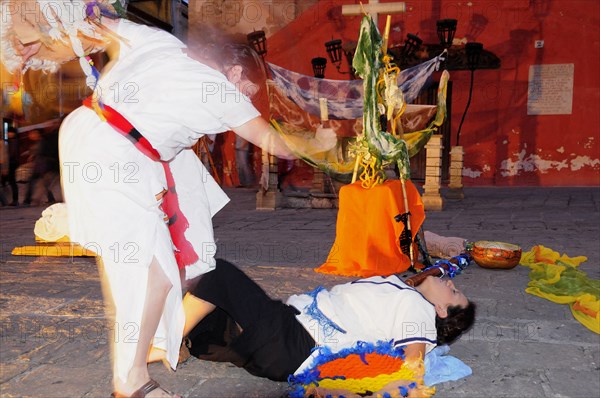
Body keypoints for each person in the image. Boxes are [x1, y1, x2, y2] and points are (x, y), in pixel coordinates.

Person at [1, 2, 296, 397]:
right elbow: (274, 141)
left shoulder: (160, 42)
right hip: (111, 150)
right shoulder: (220, 91)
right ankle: (130, 381)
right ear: (234, 71)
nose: (248, 93)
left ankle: (152, 346)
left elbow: (100, 25)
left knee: (160, 271)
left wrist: (43, 39)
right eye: (249, 86)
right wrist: (319, 144)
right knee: (146, 272)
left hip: (108, 143)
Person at [149, 259, 475, 393]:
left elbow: (413, 360)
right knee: (205, 315)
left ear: (442, 310)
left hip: (296, 341)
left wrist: (405, 386)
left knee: (216, 272)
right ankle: (185, 344)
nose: (450, 283)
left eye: (454, 291)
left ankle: (167, 340)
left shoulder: (419, 309)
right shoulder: (407, 291)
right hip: (287, 329)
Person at [22, 128, 59, 205]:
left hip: (41, 164)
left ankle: (27, 200)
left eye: (33, 133)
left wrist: (32, 155)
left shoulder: (42, 141)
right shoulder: (39, 142)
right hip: (40, 164)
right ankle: (50, 198)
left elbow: (40, 151)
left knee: (33, 181)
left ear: (37, 134)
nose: (31, 135)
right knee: (44, 182)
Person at [0, 127, 20, 206]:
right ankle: (6, 199)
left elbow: (9, 155)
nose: (8, 134)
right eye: (8, 132)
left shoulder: (13, 142)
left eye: (10, 132)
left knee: (12, 182)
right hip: (9, 164)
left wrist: (5, 167)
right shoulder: (8, 142)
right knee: (6, 182)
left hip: (11, 164)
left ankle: (14, 200)